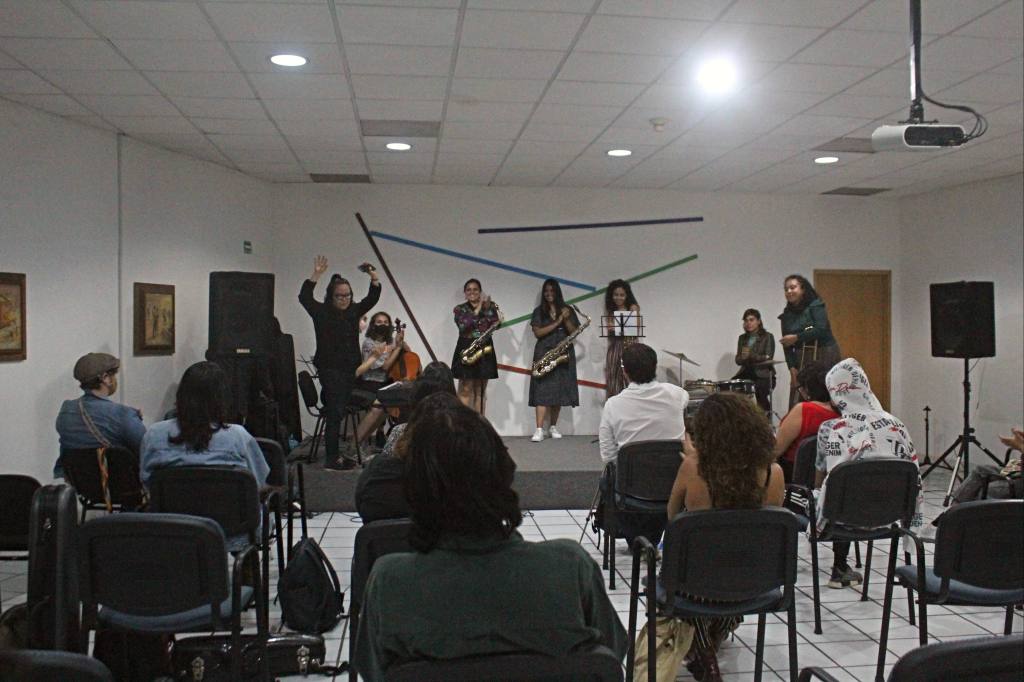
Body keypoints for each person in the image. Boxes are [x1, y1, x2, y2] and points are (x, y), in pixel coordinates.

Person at [353, 394, 627, 681]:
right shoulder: (571, 568)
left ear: (415, 489)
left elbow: (375, 673)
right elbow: (609, 659)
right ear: (504, 473)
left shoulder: (390, 582)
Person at [665, 393, 785, 682]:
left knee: (681, 572)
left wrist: (691, 460)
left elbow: (672, 517)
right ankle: (712, 637)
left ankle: (704, 651)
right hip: (755, 578)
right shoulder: (774, 473)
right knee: (728, 580)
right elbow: (770, 528)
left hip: (695, 580)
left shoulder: (692, 468)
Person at [815, 358, 921, 589]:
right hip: (890, 516)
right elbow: (915, 475)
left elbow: (824, 478)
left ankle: (838, 567)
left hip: (841, 517)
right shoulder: (897, 425)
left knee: (817, 494)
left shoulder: (832, 429)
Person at [140, 361, 269, 550]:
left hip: (172, 529)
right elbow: (257, 484)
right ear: (223, 398)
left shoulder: (154, 435)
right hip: (234, 531)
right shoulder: (238, 436)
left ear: (181, 395)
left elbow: (146, 480)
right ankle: (248, 564)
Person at [299, 255, 381, 470]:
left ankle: (340, 454)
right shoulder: (321, 312)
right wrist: (316, 274)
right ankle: (332, 458)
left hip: (349, 370)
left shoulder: (354, 311)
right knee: (334, 413)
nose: (344, 299)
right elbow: (304, 297)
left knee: (341, 409)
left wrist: (373, 276)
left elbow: (372, 299)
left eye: (348, 295)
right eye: (340, 296)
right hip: (330, 369)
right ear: (331, 296)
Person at [354, 362, 457, 523]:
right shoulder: (461, 437)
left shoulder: (400, 432)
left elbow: (382, 473)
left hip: (396, 523)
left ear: (415, 398)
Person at [55, 352, 145, 479]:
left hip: (80, 486)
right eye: (113, 375)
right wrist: (135, 420)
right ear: (105, 378)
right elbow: (146, 450)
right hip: (118, 484)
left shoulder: (66, 410)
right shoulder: (123, 414)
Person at [599, 343, 687, 466]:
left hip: (630, 476)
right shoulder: (678, 394)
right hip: (674, 475)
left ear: (624, 371)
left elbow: (608, 455)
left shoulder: (612, 405)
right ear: (655, 367)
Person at [529, 279, 581, 442]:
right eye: (546, 291)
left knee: (559, 389)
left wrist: (566, 319)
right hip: (544, 352)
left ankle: (553, 427)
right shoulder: (539, 311)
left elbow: (574, 332)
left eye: (552, 290)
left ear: (557, 292)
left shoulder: (568, 310)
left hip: (563, 351)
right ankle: (539, 429)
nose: (549, 293)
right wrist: (558, 321)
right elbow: (538, 333)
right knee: (541, 389)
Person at [778, 274, 840, 408]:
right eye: (786, 289)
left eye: (792, 287)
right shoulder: (786, 315)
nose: (789, 291)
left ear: (803, 289)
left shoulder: (816, 305)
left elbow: (821, 329)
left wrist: (797, 337)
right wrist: (792, 369)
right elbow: (786, 345)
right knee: (799, 395)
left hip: (825, 353)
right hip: (802, 356)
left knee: (825, 394)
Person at [772, 361, 838, 483]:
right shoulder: (842, 412)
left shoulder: (804, 410)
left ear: (806, 389)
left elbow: (775, 450)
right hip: (827, 480)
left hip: (793, 478)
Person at [351, 312, 409, 448]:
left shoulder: (391, 341)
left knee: (398, 400)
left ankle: (390, 438)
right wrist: (397, 348)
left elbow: (409, 355)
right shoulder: (369, 343)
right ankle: (355, 444)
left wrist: (402, 343)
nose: (382, 324)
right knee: (381, 406)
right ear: (373, 325)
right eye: (379, 322)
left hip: (384, 382)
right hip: (370, 383)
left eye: (385, 322)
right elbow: (386, 366)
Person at [451, 278, 503, 415]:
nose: (472, 292)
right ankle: (463, 422)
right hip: (466, 348)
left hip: (484, 347)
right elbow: (464, 326)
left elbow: (496, 324)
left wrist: (490, 311)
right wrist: (480, 307)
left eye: (475, 289)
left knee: (480, 389)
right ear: (465, 293)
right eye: (469, 290)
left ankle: (480, 422)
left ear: (480, 292)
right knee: (465, 387)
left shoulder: (489, 307)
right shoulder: (459, 309)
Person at [731, 308, 776, 414]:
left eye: (751, 320)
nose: (748, 323)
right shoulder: (742, 338)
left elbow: (768, 357)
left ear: (759, 321)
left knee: (759, 392)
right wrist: (747, 358)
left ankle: (765, 418)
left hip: (764, 374)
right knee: (731, 387)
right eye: (746, 320)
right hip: (746, 373)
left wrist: (750, 356)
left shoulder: (767, 336)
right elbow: (738, 360)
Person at [603, 279, 640, 399]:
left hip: (630, 344)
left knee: (631, 377)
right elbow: (610, 330)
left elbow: (636, 328)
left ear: (627, 295)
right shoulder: (611, 310)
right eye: (615, 295)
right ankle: (615, 403)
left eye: (622, 295)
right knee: (614, 378)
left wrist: (616, 327)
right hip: (615, 346)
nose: (618, 297)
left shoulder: (632, 307)